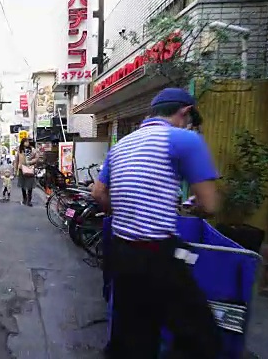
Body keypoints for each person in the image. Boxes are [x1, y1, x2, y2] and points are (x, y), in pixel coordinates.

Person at [92, 88, 221, 359]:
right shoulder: (184, 139)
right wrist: (195, 205)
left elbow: (98, 194)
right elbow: (211, 205)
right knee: (201, 337)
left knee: (133, 334)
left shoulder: (121, 146)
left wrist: (127, 212)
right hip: (157, 253)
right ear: (185, 112)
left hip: (121, 252)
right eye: (190, 119)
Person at [13, 138, 39, 206]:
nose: (27, 143)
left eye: (28, 142)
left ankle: (29, 200)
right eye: (26, 142)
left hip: (30, 168)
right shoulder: (19, 150)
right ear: (23, 143)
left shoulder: (32, 149)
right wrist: (15, 170)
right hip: (22, 169)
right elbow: (16, 160)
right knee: (23, 185)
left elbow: (37, 158)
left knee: (30, 185)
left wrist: (30, 162)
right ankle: (24, 198)